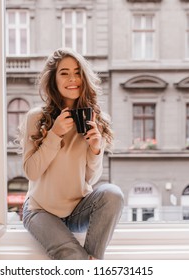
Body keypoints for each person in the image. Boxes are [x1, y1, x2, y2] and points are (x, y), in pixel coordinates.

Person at [19, 48, 124, 260]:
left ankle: (93, 259)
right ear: (54, 80)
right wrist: (54, 134)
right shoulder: (36, 118)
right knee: (72, 255)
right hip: (40, 210)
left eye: (77, 72)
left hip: (78, 210)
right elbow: (32, 171)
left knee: (113, 194)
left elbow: (90, 179)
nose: (73, 79)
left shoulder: (95, 120)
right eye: (64, 73)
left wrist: (96, 149)